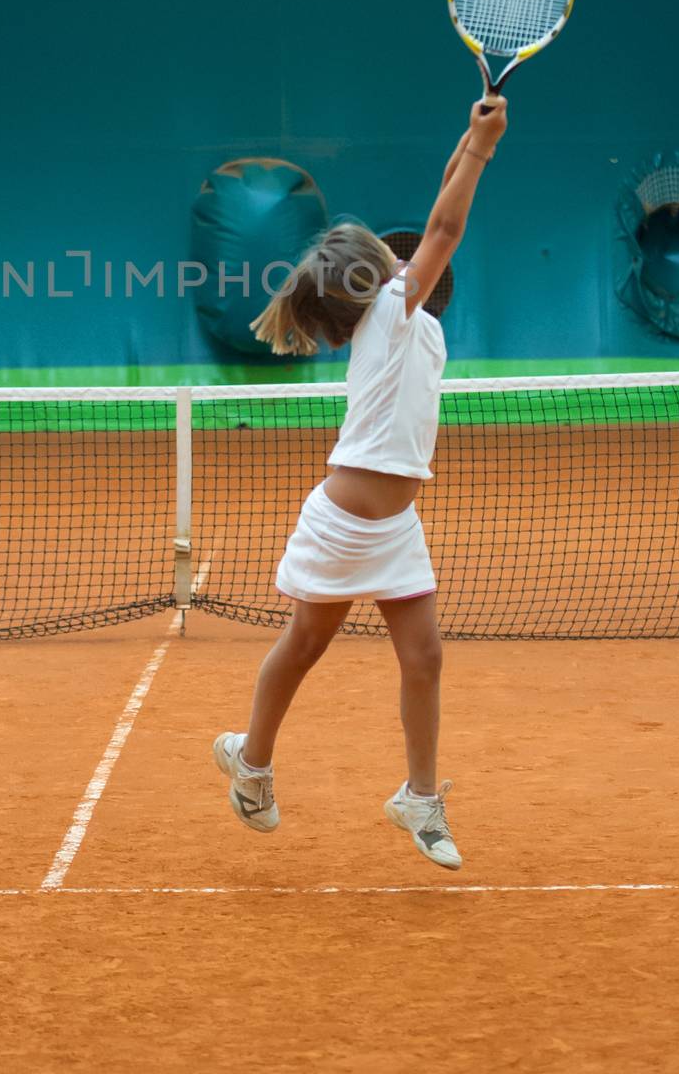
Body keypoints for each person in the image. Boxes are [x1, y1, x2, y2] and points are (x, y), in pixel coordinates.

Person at [213, 96, 508, 869]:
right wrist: (483, 150)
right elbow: (445, 227)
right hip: (343, 523)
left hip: (396, 525)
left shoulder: (393, 306)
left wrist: (469, 134)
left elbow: (437, 215)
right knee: (306, 642)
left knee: (426, 657)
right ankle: (252, 762)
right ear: (373, 272)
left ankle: (419, 797)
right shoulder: (393, 307)